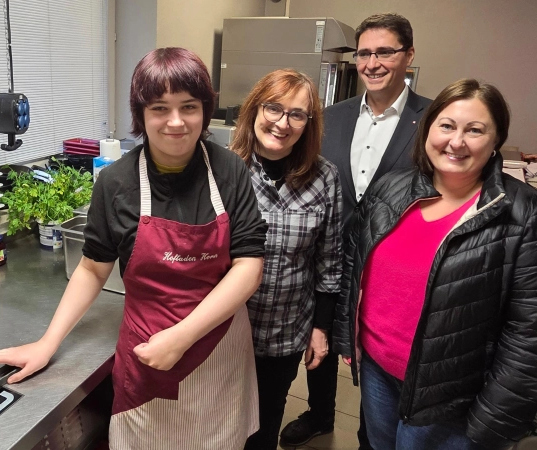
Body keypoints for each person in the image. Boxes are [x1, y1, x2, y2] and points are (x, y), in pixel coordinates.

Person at [0, 47, 268, 449]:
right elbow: (92, 268)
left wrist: (182, 337)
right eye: (159, 108)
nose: (175, 122)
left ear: (205, 110)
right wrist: (47, 344)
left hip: (217, 347)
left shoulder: (229, 170)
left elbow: (248, 267)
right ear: (141, 114)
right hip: (148, 353)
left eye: (189, 106)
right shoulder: (116, 182)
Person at [333, 78, 537, 449]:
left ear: (495, 140)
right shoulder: (391, 188)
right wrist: (349, 336)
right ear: (428, 130)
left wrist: (495, 417)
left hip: (455, 396)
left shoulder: (522, 214)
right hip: (379, 370)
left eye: (474, 130)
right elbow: (354, 261)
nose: (456, 142)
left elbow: (529, 333)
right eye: (446, 125)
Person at [280, 13, 432, 449]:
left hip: (388, 262)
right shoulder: (331, 116)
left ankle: (373, 430)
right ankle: (319, 413)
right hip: (328, 252)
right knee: (322, 331)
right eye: (364, 52)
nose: (372, 62)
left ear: (408, 55)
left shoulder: (432, 118)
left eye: (385, 51)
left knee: (376, 349)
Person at [230, 69, 343, 450]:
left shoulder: (325, 177)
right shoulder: (226, 171)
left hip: (285, 331)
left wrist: (321, 329)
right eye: (273, 108)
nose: (282, 123)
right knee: (220, 421)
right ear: (254, 110)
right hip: (225, 329)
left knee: (264, 424)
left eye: (297, 114)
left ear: (308, 124)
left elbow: (330, 261)